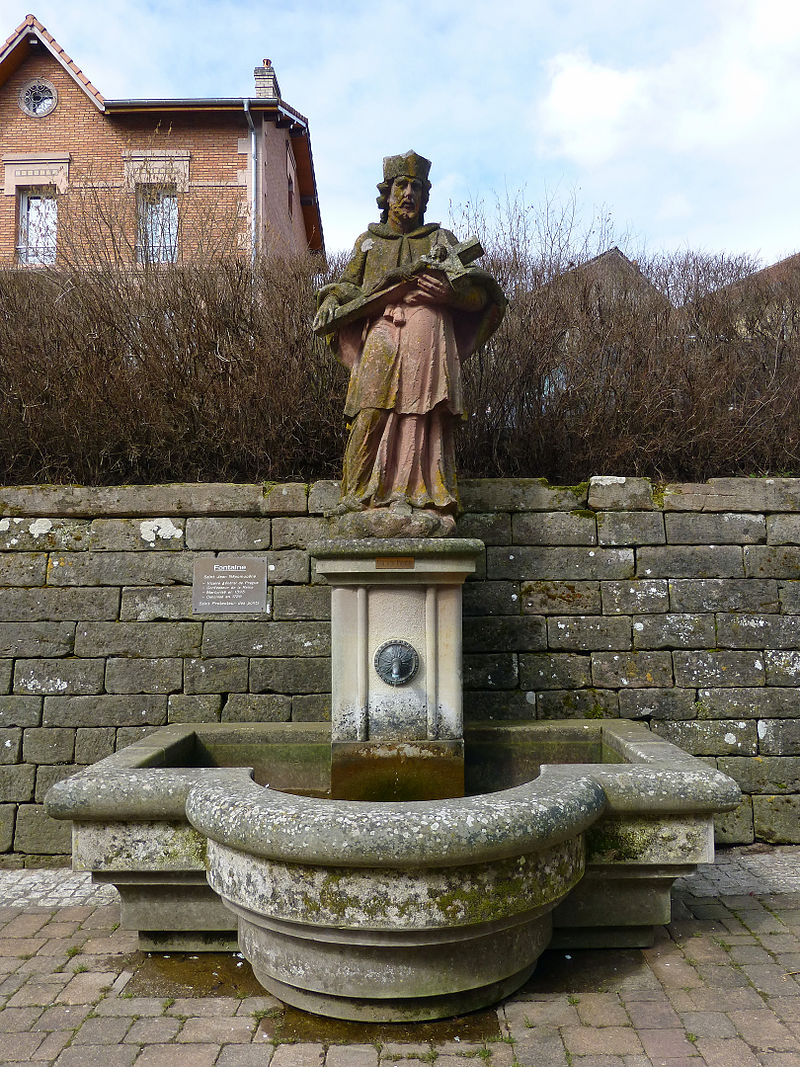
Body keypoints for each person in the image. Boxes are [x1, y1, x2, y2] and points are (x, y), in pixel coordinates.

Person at [314, 151, 506, 537]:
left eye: (416, 187)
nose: (408, 194)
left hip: (427, 331)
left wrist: (449, 296)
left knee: (422, 411)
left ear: (425, 195)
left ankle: (422, 496)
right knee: (369, 406)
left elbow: (479, 297)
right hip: (383, 328)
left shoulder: (441, 241)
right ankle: (356, 496)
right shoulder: (369, 242)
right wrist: (333, 299)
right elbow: (351, 287)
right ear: (386, 194)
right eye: (400, 186)